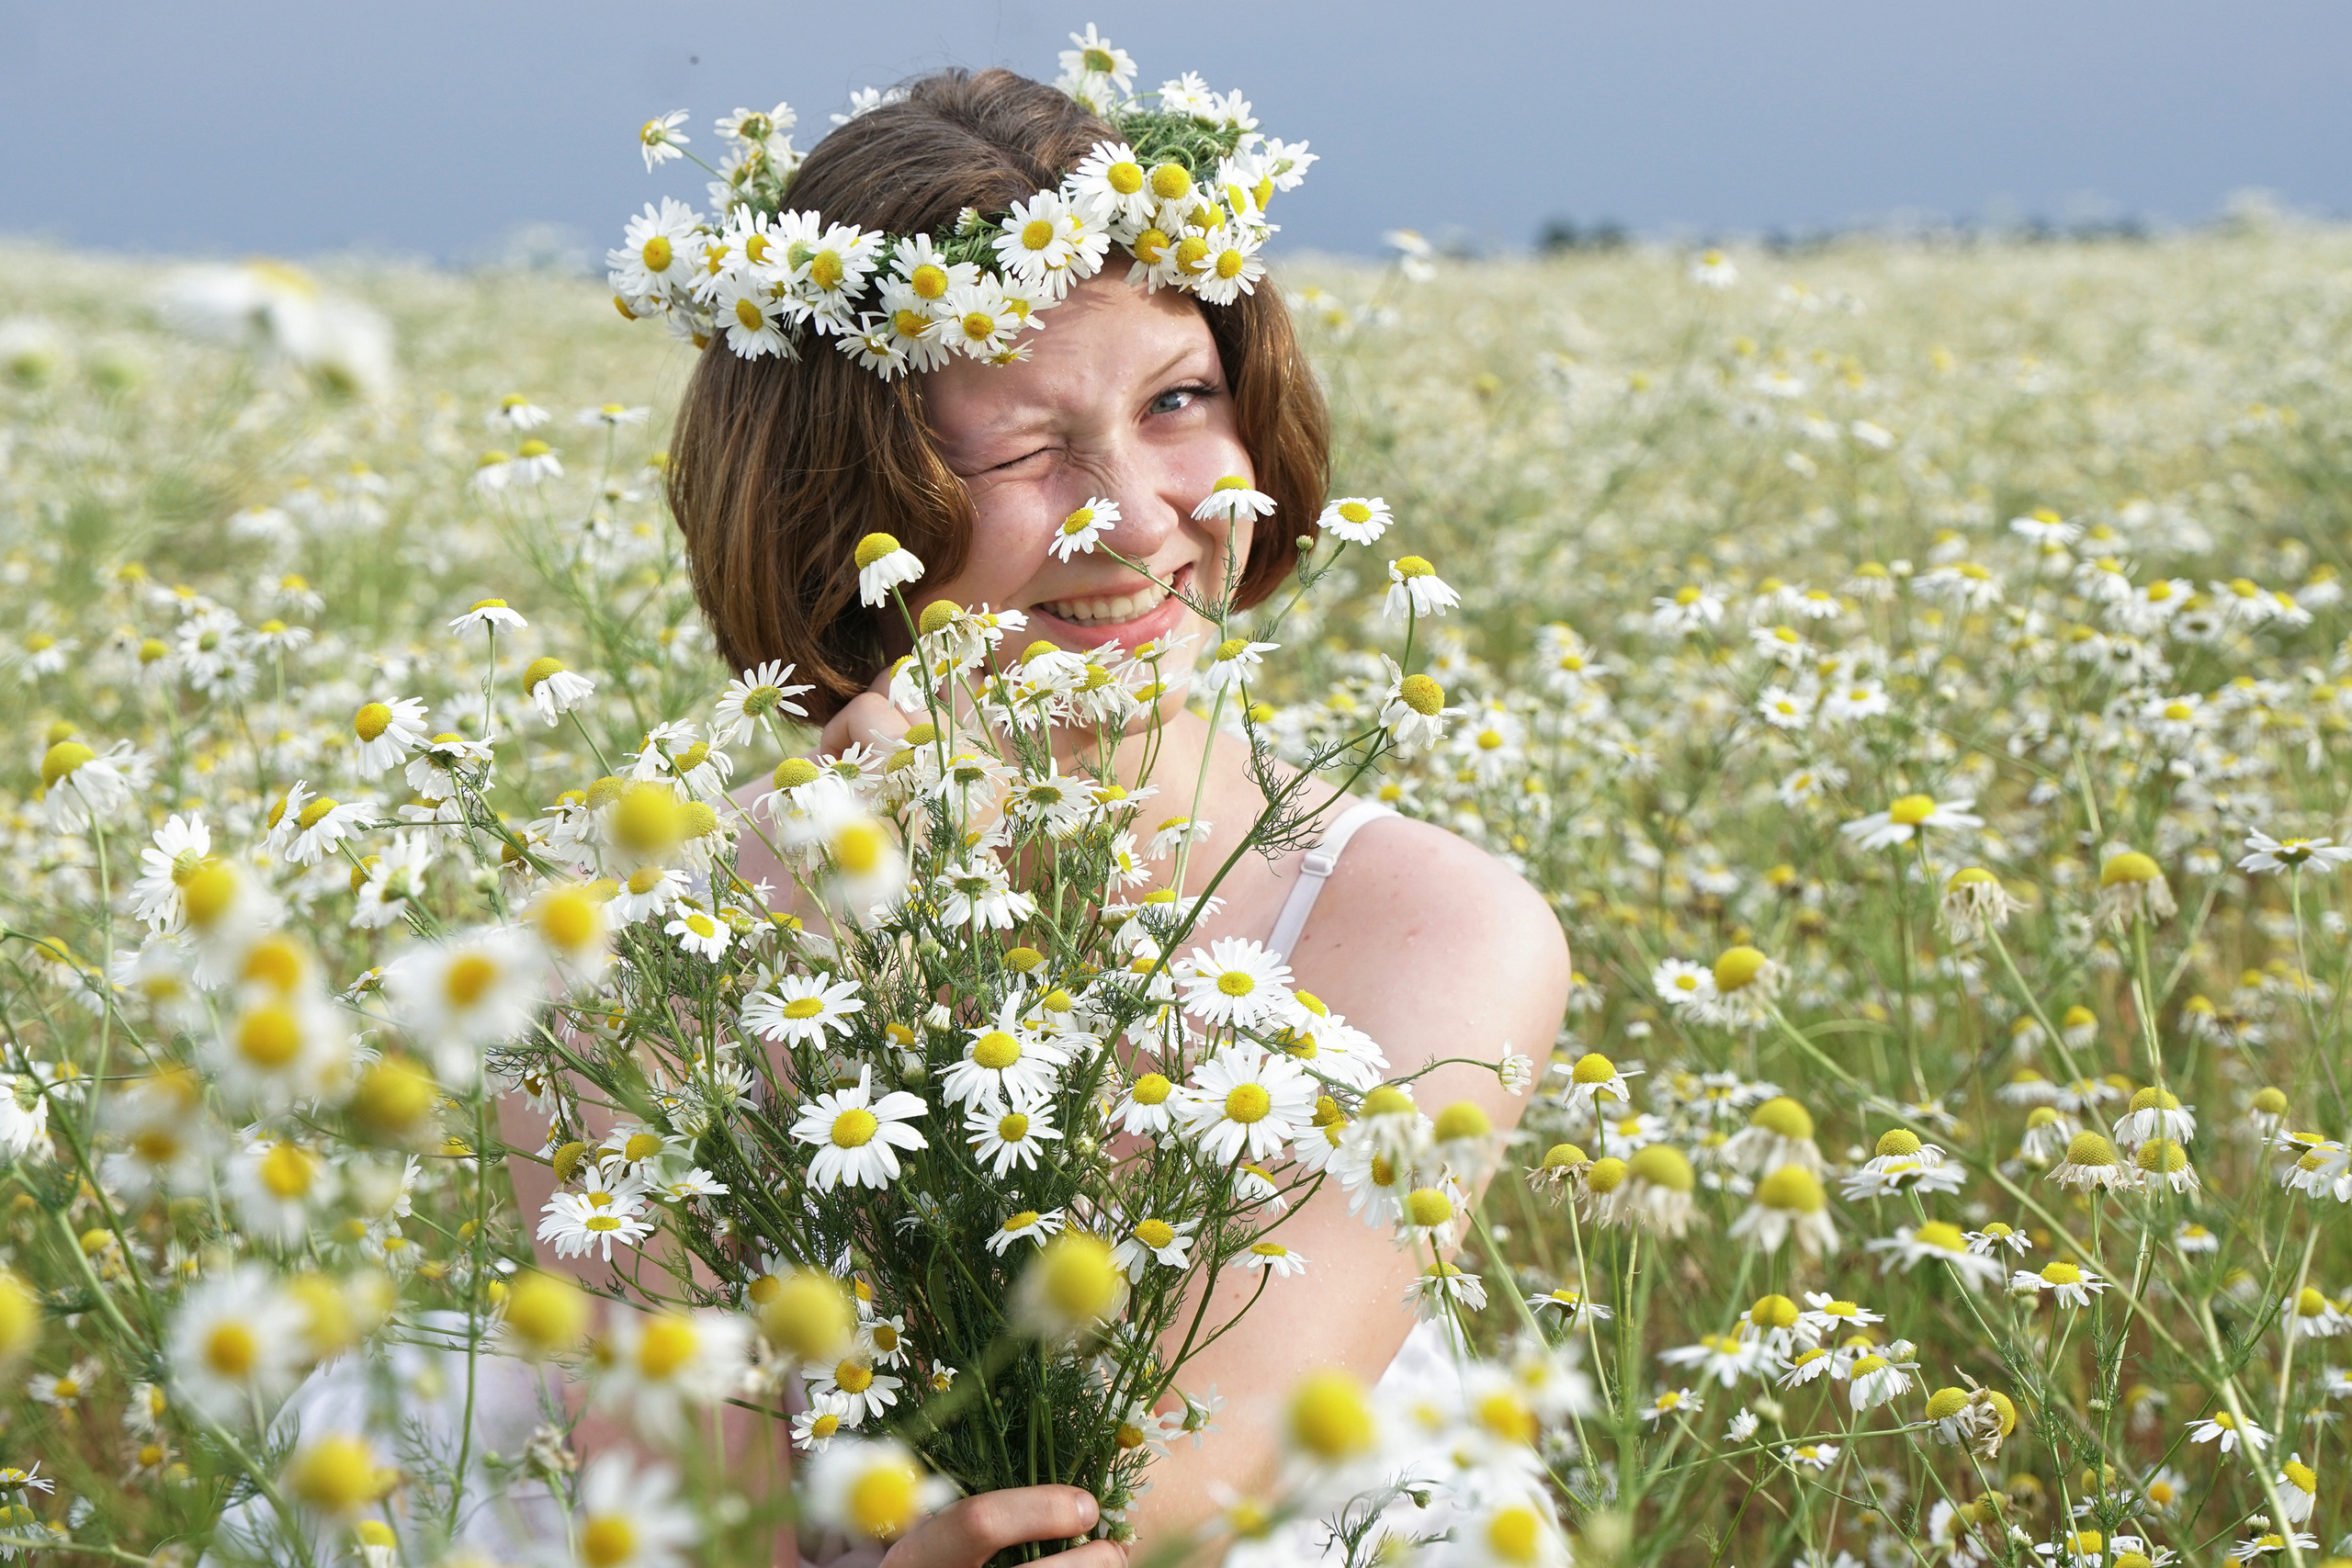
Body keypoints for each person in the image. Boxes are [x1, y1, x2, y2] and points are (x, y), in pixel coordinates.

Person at [511, 62, 1569, 1568]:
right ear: (839, 497)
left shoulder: (1432, 930)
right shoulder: (630, 943)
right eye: (1013, 448)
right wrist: (890, 892)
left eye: (1180, 401)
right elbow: (688, 1504)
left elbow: (1163, 1486)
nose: (1135, 517)